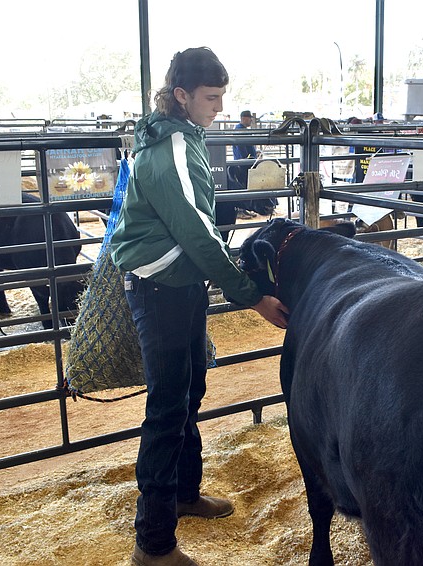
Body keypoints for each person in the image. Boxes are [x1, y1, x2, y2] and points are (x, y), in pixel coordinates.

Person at [109, 47, 289, 566]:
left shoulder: (182, 135)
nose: (220, 107)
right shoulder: (171, 147)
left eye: (222, 96)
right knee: (168, 408)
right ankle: (153, 544)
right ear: (182, 95)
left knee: (189, 391)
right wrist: (252, 295)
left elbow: (199, 230)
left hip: (179, 282)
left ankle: (184, 494)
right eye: (211, 97)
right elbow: (198, 233)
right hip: (161, 287)